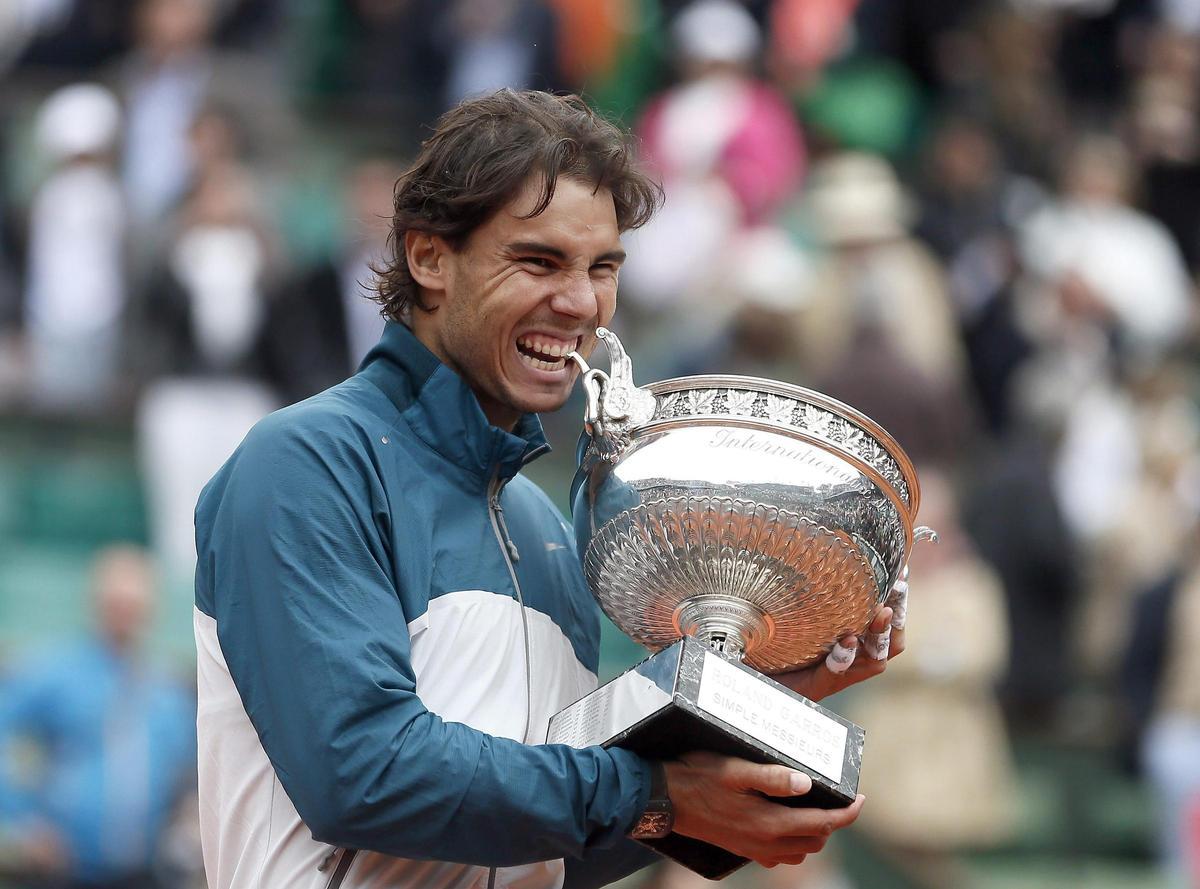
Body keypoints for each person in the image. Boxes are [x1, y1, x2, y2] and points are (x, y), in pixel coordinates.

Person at [193, 89, 905, 889]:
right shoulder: (308, 463)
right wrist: (654, 789)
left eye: (602, 268)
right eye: (538, 261)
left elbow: (546, 843)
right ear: (430, 258)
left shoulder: (548, 529)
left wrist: (759, 702)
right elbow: (362, 771)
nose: (578, 302)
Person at [0, 546, 196, 888]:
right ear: (96, 602)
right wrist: (24, 819)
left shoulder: (166, 689)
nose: (125, 612)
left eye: (134, 602)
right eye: (116, 601)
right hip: (67, 869)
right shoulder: (55, 671)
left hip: (147, 870)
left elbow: (188, 769)